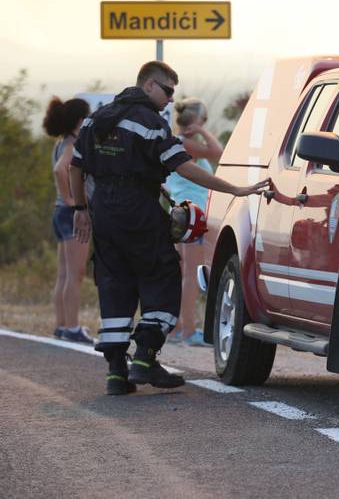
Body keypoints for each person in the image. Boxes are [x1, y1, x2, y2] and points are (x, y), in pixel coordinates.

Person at [69, 61, 269, 396]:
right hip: (138, 209)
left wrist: (80, 209)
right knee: (162, 274)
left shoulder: (95, 119)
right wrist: (234, 189)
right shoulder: (150, 123)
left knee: (113, 280)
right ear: (148, 84)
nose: (171, 100)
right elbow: (185, 167)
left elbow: (75, 167)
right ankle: (145, 358)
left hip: (102, 211)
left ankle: (116, 372)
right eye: (167, 91)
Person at [165, 98, 222, 346]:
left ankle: (177, 327)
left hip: (179, 212)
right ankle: (188, 329)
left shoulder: (174, 143)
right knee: (191, 274)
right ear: (196, 120)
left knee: (181, 273)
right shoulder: (188, 145)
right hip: (193, 215)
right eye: (203, 120)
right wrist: (203, 132)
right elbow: (219, 153)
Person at [43, 97, 94, 344]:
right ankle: (72, 328)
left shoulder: (61, 142)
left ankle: (62, 325)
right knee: (76, 273)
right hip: (70, 213)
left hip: (59, 213)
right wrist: (73, 201)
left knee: (64, 274)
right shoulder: (73, 144)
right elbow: (60, 170)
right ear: (80, 120)